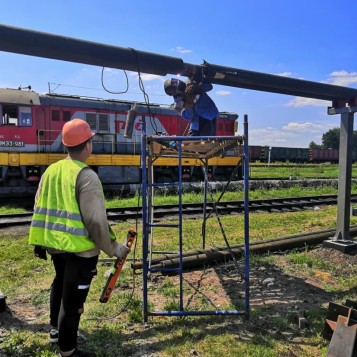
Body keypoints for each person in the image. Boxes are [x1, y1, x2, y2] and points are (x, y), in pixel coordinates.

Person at [29, 118, 130, 357]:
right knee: (72, 301)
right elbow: (96, 222)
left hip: (56, 245)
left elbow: (39, 206)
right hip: (81, 250)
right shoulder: (87, 176)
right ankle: (68, 351)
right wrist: (115, 248)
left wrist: (39, 242)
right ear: (87, 145)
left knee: (60, 283)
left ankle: (55, 331)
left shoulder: (51, 171)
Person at [164, 69, 219, 136]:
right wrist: (188, 105)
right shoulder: (178, 101)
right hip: (196, 123)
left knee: (207, 142)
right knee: (191, 142)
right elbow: (188, 117)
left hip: (208, 115)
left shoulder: (191, 82)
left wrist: (198, 88)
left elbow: (209, 86)